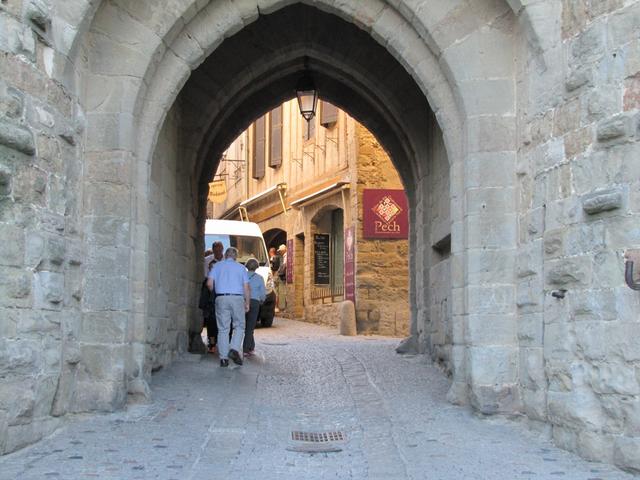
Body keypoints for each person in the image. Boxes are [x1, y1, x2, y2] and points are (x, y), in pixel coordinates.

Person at [207, 247, 250, 367]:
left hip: (221, 298)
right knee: (239, 325)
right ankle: (234, 349)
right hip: (237, 298)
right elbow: (246, 287)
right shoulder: (241, 268)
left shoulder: (217, 266)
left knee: (223, 329)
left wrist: (215, 291)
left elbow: (209, 284)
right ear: (236, 257)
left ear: (225, 255)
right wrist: (247, 302)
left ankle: (223, 359)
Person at [244, 258, 265, 356]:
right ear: (256, 267)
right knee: (250, 325)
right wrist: (262, 300)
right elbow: (262, 293)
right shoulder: (259, 278)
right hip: (254, 302)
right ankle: (246, 349)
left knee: (245, 325)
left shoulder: (242, 276)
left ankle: (251, 346)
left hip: (243, 301)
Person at [276, 244, 287, 311]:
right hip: (284, 276)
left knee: (284, 292)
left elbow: (284, 265)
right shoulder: (284, 256)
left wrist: (280, 272)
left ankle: (284, 307)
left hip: (284, 276)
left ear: (283, 250)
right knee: (283, 292)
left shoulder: (286, 256)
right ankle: (283, 307)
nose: (280, 252)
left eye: (280, 251)